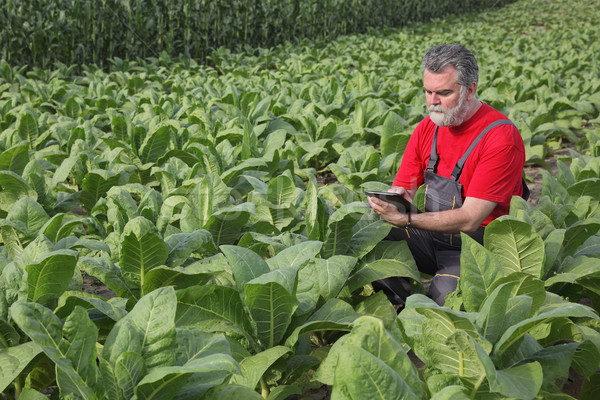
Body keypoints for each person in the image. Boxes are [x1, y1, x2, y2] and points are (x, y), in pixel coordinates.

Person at [367, 44, 528, 306]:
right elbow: (405, 186)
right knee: (372, 231)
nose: (433, 101)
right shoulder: (427, 128)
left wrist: (407, 217)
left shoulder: (500, 136)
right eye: (428, 92)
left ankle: (425, 317)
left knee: (443, 303)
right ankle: (395, 309)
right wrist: (394, 198)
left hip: (478, 249)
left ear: (470, 90)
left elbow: (470, 219)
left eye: (443, 93)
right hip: (434, 235)